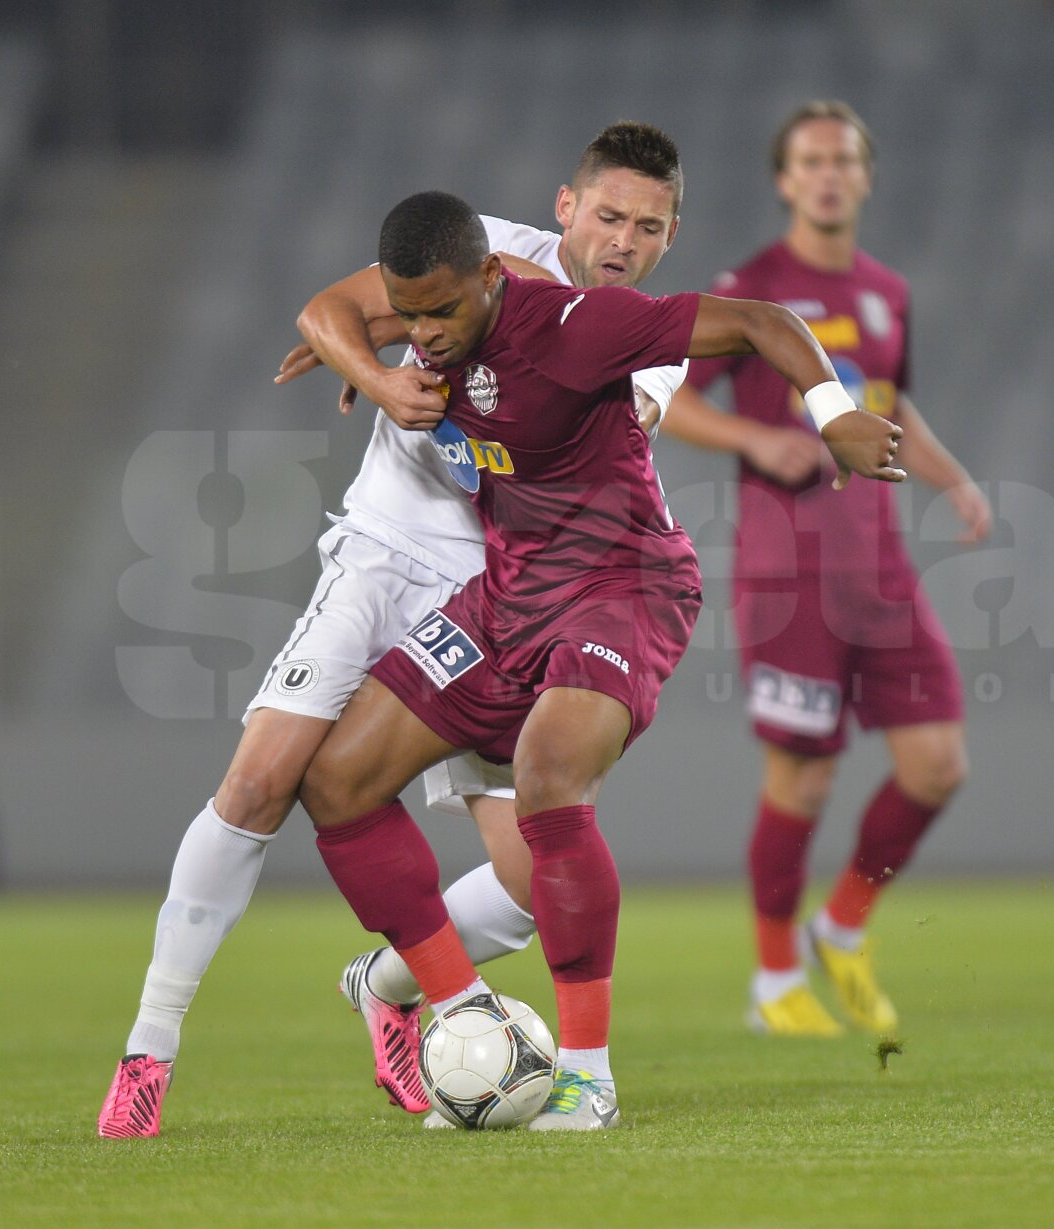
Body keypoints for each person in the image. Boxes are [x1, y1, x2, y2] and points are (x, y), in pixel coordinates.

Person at [97, 122, 690, 1140]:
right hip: (380, 553)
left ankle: (393, 983)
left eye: (647, 226)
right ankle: (149, 1053)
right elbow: (330, 308)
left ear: (670, 237)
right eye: (608, 215)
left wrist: (430, 365)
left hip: (500, 588)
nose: (623, 238)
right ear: (566, 208)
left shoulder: (637, 337)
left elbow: (554, 413)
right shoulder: (475, 251)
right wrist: (382, 374)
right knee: (264, 780)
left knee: (540, 875)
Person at [296, 189, 904, 1130]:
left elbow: (759, 321)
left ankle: (587, 1079)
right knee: (336, 780)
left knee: (546, 776)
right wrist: (364, 366)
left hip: (626, 584)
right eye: (408, 315)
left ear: (494, 279)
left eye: (442, 311)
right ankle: (461, 1010)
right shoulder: (428, 339)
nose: (425, 333)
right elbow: (334, 314)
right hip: (509, 595)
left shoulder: (581, 326)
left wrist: (833, 415)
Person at [660, 101, 991, 1038]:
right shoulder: (754, 289)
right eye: (810, 161)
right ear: (784, 179)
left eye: (843, 159)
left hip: (880, 569)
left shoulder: (888, 289)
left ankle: (841, 924)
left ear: (866, 175)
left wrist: (952, 477)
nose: (829, 175)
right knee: (800, 782)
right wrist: (760, 440)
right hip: (788, 571)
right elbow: (672, 401)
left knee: (937, 765)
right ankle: (774, 982)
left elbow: (889, 408)